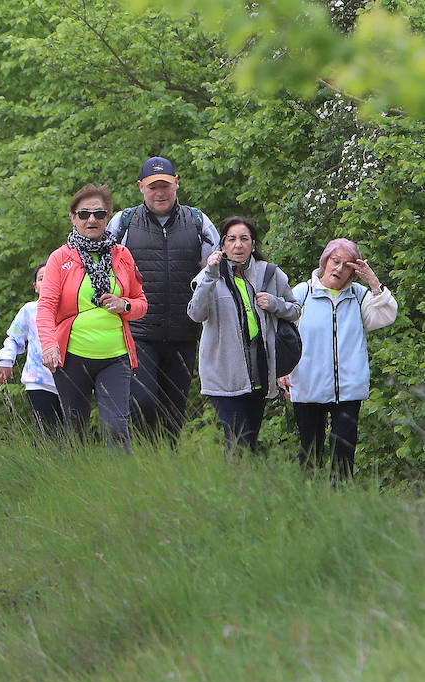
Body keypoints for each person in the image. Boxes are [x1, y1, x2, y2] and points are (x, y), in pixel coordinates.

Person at [106, 156, 219, 444]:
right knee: (142, 402)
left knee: (174, 411)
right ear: (141, 187)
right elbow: (101, 267)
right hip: (138, 331)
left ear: (176, 184)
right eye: (153, 186)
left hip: (184, 331)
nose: (160, 193)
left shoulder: (197, 221)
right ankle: (143, 457)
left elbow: (216, 268)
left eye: (166, 186)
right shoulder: (124, 221)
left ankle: (164, 468)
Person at [38, 184, 148, 450]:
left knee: (117, 427)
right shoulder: (60, 258)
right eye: (84, 214)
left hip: (115, 356)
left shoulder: (122, 255)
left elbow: (142, 303)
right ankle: (76, 487)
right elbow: (46, 307)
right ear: (72, 217)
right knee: (75, 431)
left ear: (107, 217)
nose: (92, 220)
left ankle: (120, 488)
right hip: (73, 356)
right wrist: (49, 344)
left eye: (99, 214)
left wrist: (124, 305)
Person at [279, 238, 397, 479]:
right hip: (308, 386)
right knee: (309, 457)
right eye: (335, 261)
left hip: (348, 390)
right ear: (325, 261)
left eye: (347, 266)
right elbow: (282, 336)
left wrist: (373, 281)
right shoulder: (303, 293)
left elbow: (386, 315)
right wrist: (282, 370)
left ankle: (339, 507)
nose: (339, 269)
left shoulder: (359, 295)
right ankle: (308, 508)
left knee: (343, 460)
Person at [187, 217, 301, 452]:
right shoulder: (209, 276)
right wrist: (209, 274)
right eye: (231, 239)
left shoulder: (269, 274)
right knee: (237, 439)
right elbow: (196, 314)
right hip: (223, 373)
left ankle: (242, 485)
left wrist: (274, 303)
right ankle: (236, 483)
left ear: (253, 244)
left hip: (259, 371)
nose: (238, 245)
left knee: (249, 440)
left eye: (244, 239)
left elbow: (295, 309)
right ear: (223, 245)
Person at [0, 264, 62, 435]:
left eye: (51, 277)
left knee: (73, 434)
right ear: (35, 287)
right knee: (47, 433)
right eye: (41, 278)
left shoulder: (70, 309)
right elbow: (14, 338)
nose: (46, 281)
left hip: (70, 381)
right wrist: (6, 360)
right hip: (38, 381)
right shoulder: (30, 310)